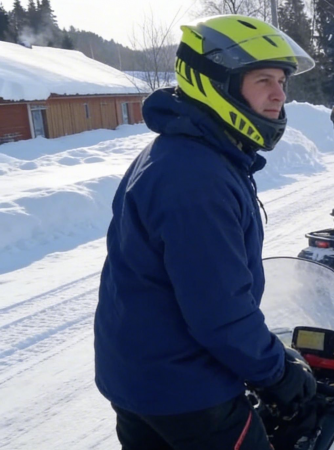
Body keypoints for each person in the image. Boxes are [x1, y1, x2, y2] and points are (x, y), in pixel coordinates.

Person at [94, 15, 318, 449]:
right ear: (217, 84)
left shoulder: (181, 151)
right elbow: (219, 312)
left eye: (282, 81)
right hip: (188, 391)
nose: (279, 95)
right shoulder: (197, 177)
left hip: (141, 377)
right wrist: (279, 372)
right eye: (263, 80)